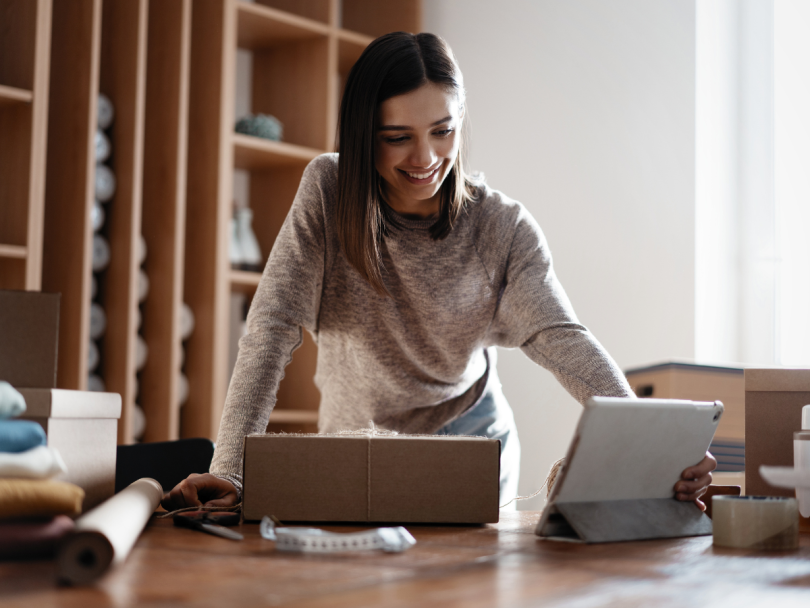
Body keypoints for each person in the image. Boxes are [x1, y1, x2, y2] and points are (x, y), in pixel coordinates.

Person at [162, 32, 715, 512]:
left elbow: (560, 338)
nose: (425, 157)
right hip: (355, 440)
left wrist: (652, 446)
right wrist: (231, 466)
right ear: (363, 134)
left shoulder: (501, 226)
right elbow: (272, 326)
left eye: (443, 131)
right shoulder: (328, 194)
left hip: (471, 443)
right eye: (397, 137)